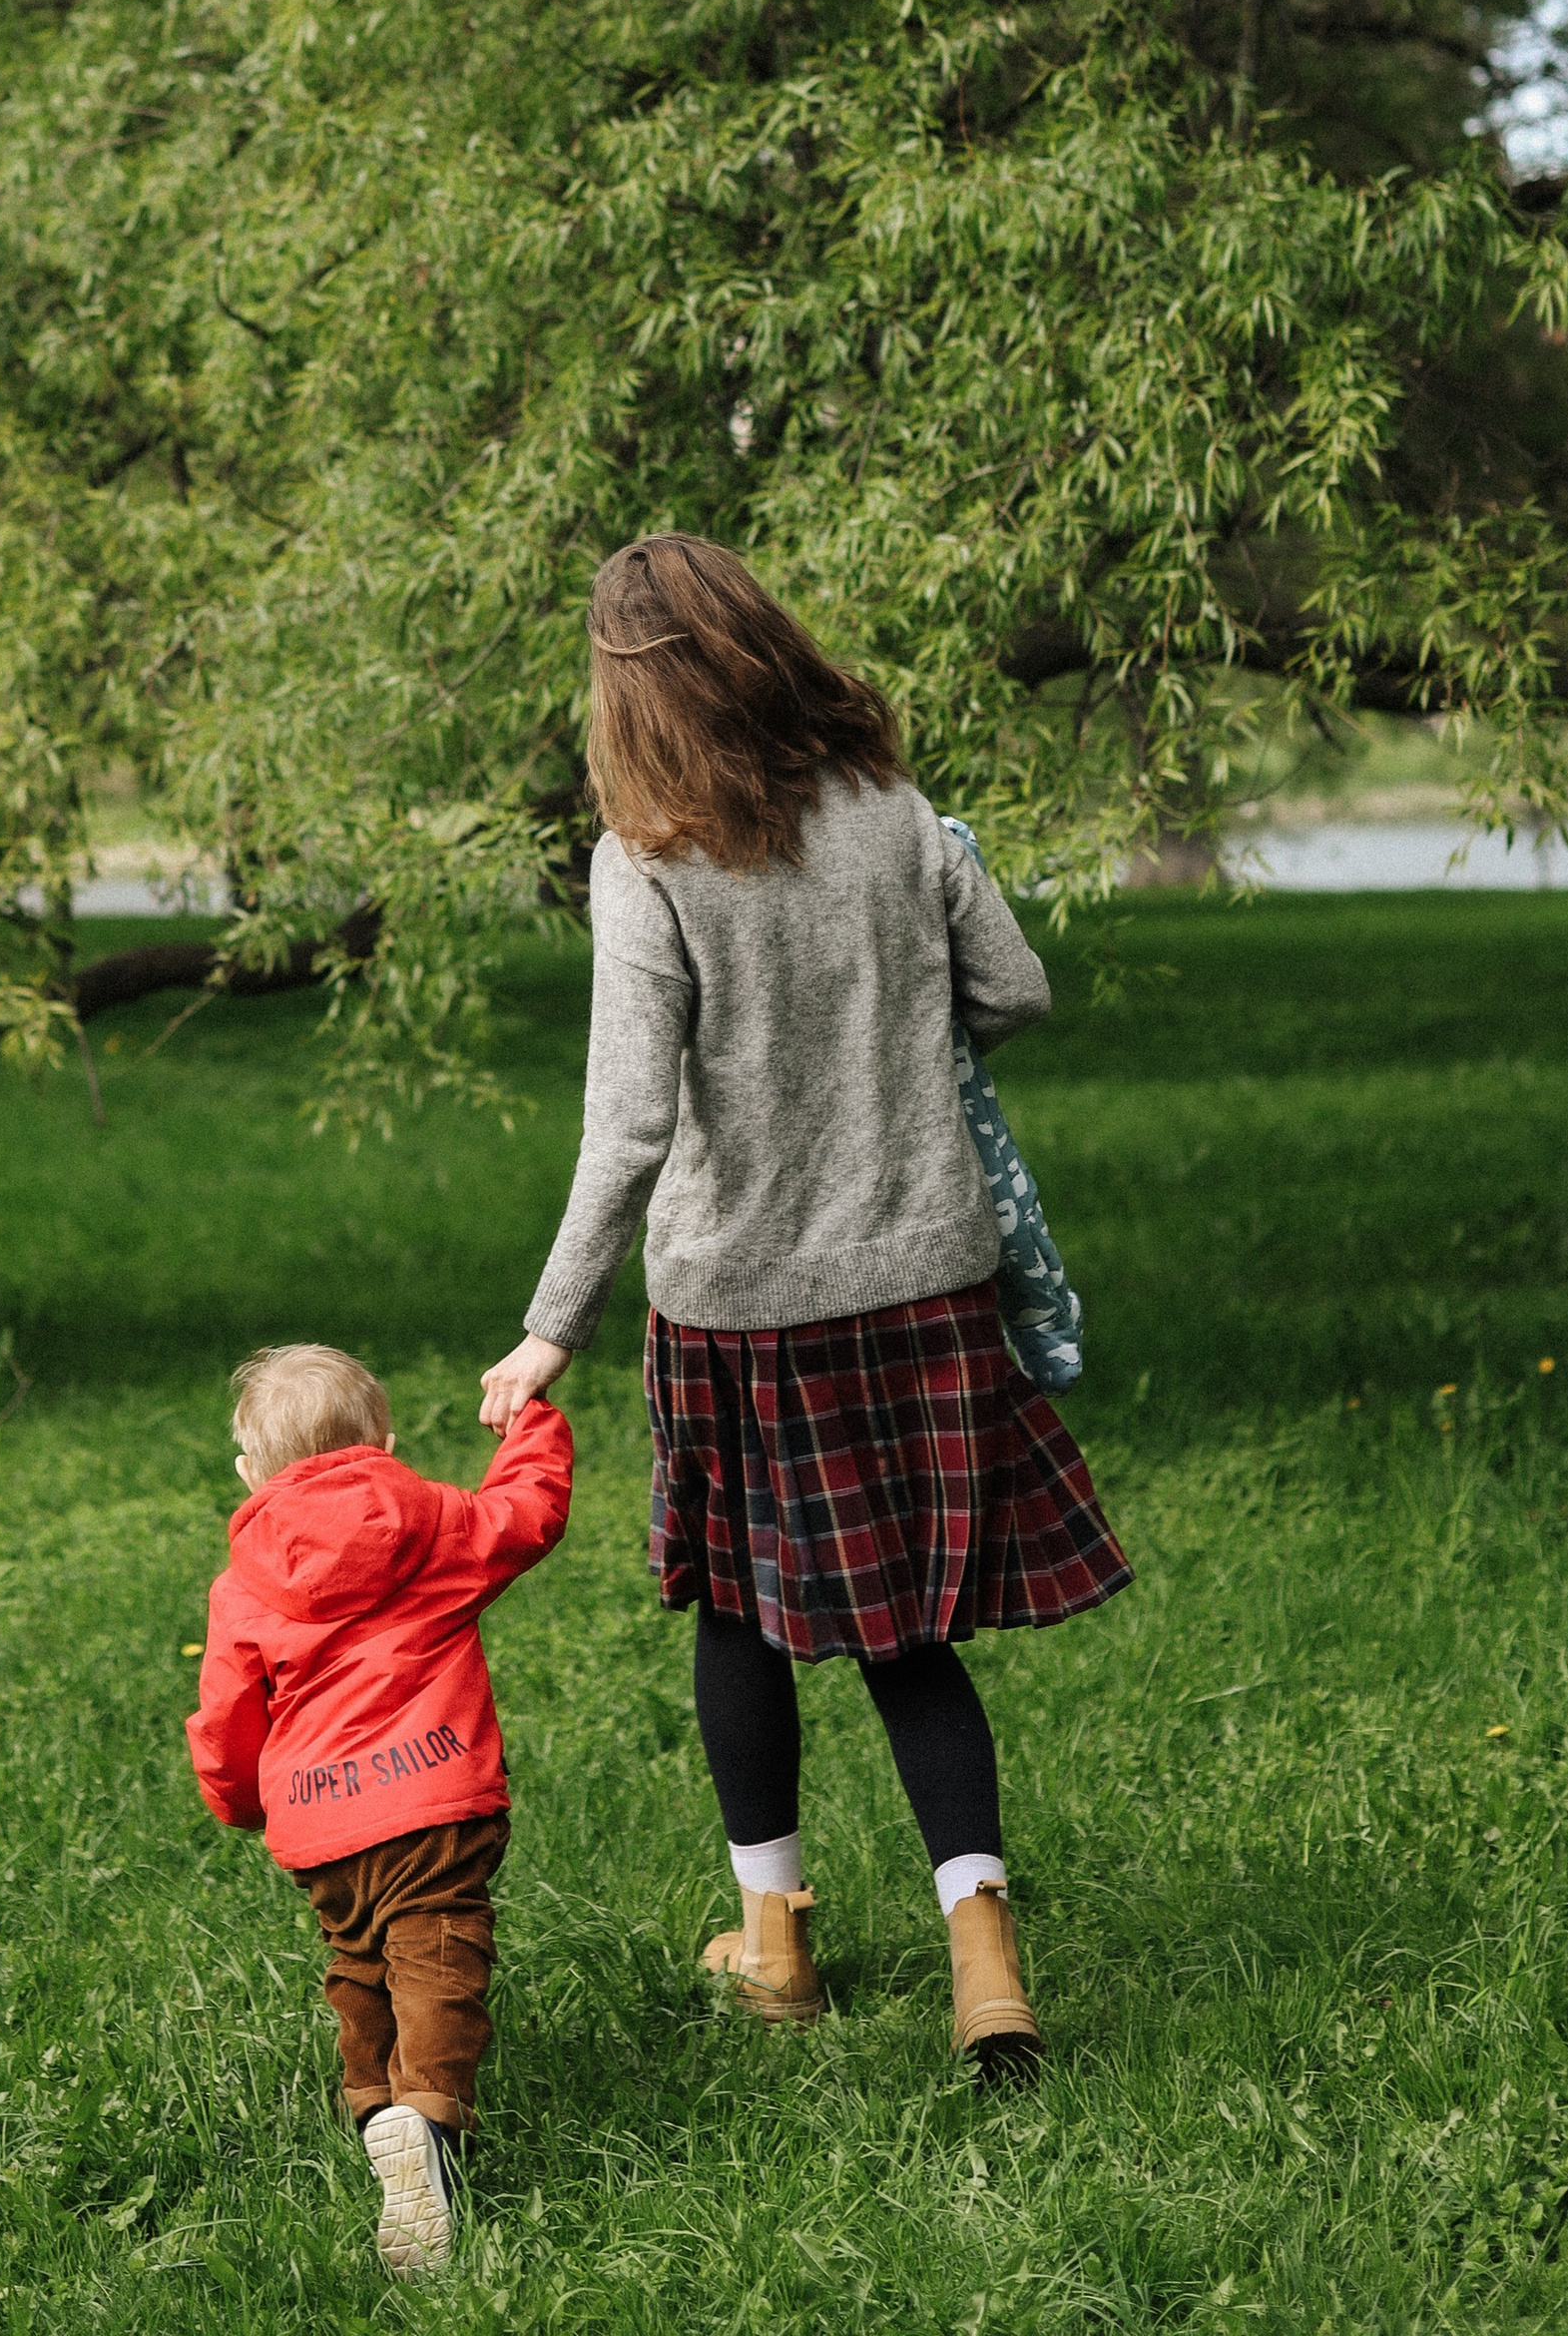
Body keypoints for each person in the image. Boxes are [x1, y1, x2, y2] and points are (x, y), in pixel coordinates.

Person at [478, 535, 1130, 2077]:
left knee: (736, 1616)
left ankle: (776, 1948)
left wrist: (550, 1324)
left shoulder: (647, 859)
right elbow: (1018, 992)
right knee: (909, 1633)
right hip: (924, 1283)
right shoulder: (897, 817)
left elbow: (631, 1124)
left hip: (743, 1310)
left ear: (629, 699)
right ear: (767, 646)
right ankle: (988, 1965)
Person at [187, 1339, 573, 2276]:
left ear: (250, 1472)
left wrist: (237, 1802)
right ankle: (430, 2125)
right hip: (434, 1796)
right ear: (386, 1440)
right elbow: (524, 1516)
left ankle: (372, 2105)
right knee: (439, 1953)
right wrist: (532, 1427)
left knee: (358, 1960)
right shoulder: (432, 1521)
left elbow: (228, 1713)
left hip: (318, 1823)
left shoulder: (244, 1585)